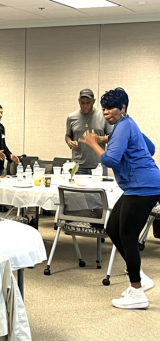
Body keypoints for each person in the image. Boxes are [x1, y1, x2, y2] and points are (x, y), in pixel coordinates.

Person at [79, 87, 160, 310]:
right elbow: (150, 148)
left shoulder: (124, 125)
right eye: (103, 109)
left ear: (122, 108)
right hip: (138, 186)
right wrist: (108, 138)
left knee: (127, 235)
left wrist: (94, 143)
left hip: (143, 187)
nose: (106, 112)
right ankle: (141, 279)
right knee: (113, 228)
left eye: (110, 108)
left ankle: (137, 291)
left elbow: (112, 160)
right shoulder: (126, 125)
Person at [65, 89, 113, 175]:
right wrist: (69, 142)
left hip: (98, 165)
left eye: (88, 103)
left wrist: (99, 139)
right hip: (78, 166)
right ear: (79, 101)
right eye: (82, 103)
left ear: (93, 101)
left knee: (99, 188)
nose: (85, 105)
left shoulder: (103, 115)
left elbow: (112, 138)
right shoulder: (71, 117)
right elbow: (68, 135)